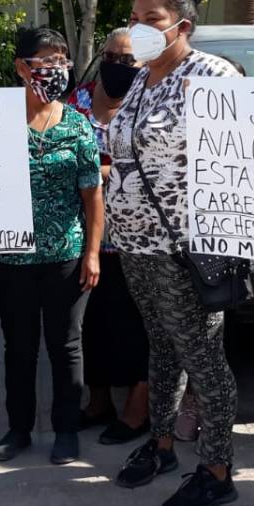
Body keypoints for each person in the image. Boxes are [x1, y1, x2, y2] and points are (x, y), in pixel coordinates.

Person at [105, 0, 241, 506]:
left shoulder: (211, 77)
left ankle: (216, 468)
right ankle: (161, 443)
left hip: (185, 249)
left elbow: (247, 156)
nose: (139, 28)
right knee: (160, 348)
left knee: (203, 360)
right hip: (137, 245)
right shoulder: (140, 80)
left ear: (183, 26)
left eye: (152, 19)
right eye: (135, 17)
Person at [0, 28, 102, 466]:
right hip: (8, 257)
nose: (55, 69)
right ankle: (18, 429)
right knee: (18, 346)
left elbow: (93, 195)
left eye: (62, 61)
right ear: (21, 66)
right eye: (45, 60)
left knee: (65, 345)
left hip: (64, 257)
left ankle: (66, 430)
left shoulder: (76, 125)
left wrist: (91, 253)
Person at [68, 28, 151, 446]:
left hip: (139, 239)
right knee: (91, 325)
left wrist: (97, 174)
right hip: (86, 241)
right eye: (112, 56)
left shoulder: (151, 105)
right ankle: (97, 402)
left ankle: (139, 409)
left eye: (129, 60)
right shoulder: (76, 103)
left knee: (136, 326)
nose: (119, 65)